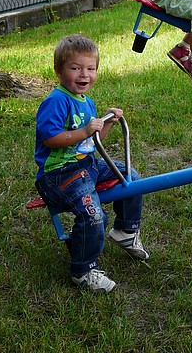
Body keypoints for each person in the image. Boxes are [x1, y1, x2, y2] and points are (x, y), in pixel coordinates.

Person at [34, 34, 148, 293]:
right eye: (75, 68)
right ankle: (83, 270)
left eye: (90, 68)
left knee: (130, 176)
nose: (84, 74)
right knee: (94, 214)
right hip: (58, 175)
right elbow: (51, 139)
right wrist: (85, 130)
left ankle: (126, 230)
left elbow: (91, 141)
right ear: (59, 71)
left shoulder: (87, 102)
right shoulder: (56, 101)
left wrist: (106, 122)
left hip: (87, 165)